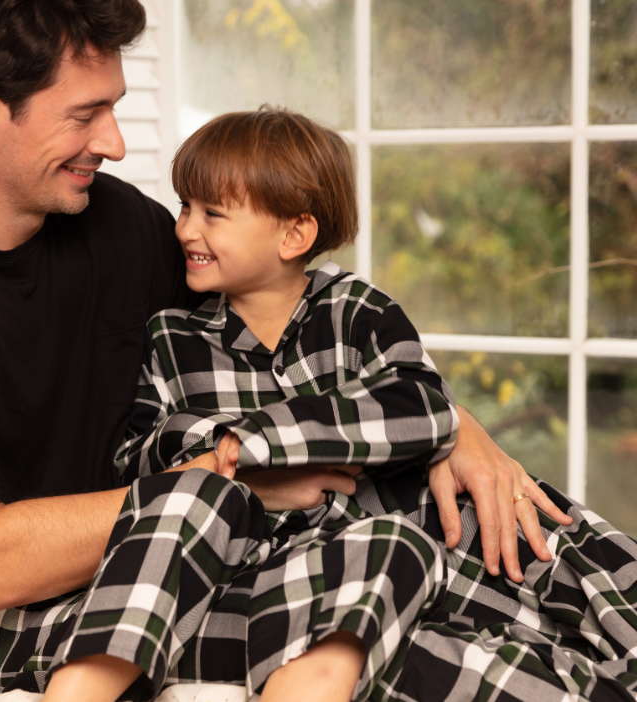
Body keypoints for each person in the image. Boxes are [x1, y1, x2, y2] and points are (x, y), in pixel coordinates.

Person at [0, 0, 603, 699]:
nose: (113, 143)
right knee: (416, 650)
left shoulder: (116, 224)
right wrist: (231, 480)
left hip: (189, 565)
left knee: (495, 586)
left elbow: (276, 311)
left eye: (114, 108)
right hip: (18, 620)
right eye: (85, 115)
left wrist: (452, 425)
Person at [27, 107, 459, 702]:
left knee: (397, 546)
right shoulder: (171, 336)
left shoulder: (358, 311)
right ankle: (82, 687)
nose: (185, 229)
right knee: (188, 497)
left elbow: (424, 407)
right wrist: (223, 456)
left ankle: (312, 679)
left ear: (294, 235)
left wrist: (264, 440)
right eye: (185, 207)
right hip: (220, 573)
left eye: (212, 214)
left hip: (342, 562)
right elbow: (135, 464)